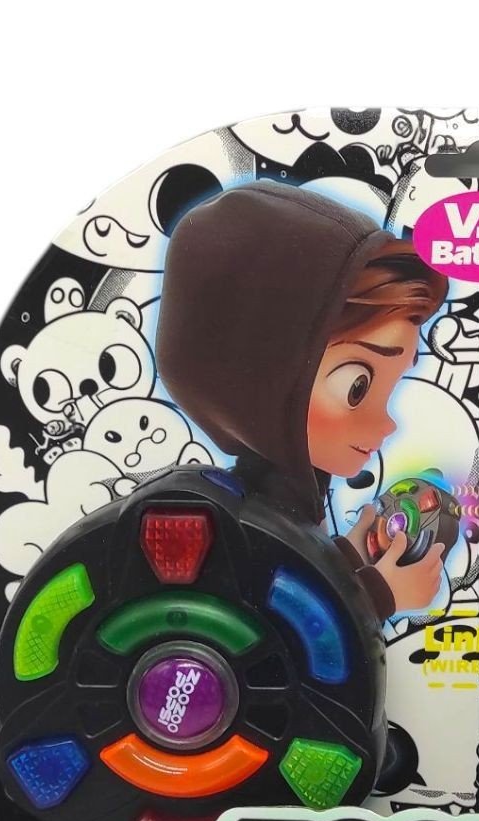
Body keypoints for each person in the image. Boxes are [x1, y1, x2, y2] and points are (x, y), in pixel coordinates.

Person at [157, 183, 449, 618]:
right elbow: (280, 627)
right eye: (357, 388)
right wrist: (380, 596)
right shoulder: (241, 523)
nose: (387, 424)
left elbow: (296, 573)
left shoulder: (283, 503)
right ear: (262, 381)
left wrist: (343, 558)